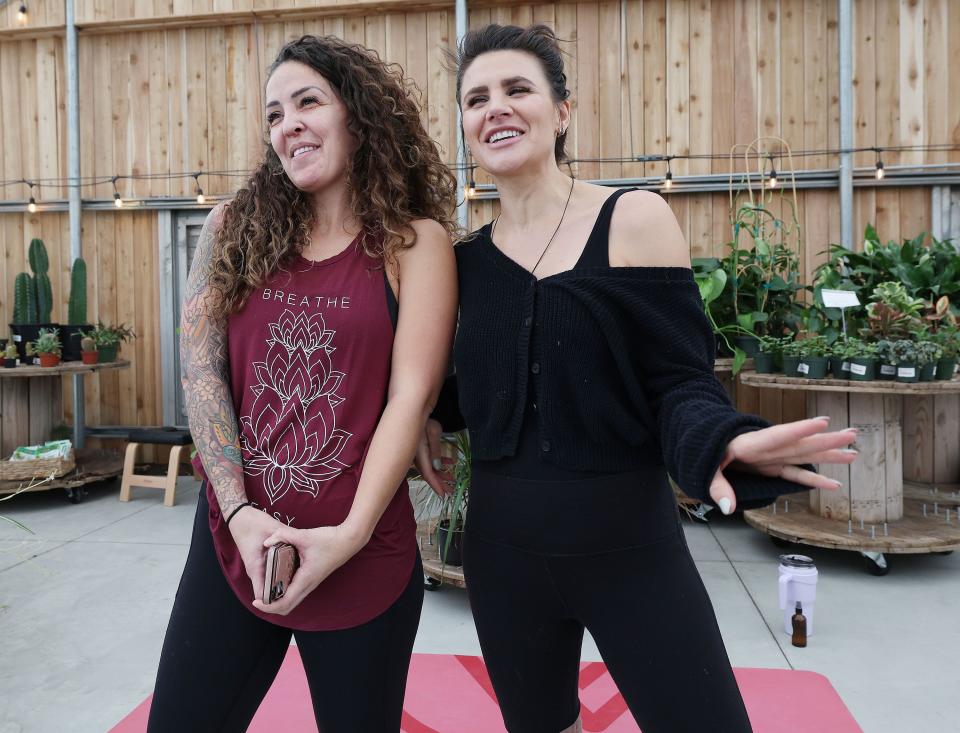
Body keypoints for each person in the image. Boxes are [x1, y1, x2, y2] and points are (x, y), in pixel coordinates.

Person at [416, 24, 858, 733]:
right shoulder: (465, 262)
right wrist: (426, 415)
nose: (495, 106)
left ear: (562, 112)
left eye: (517, 89)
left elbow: (678, 377)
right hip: (501, 555)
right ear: (466, 128)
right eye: (476, 98)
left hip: (629, 545)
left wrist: (721, 439)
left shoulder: (632, 217)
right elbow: (474, 390)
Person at [148, 35, 458, 732]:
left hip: (364, 557)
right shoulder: (232, 226)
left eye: (307, 102)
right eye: (273, 114)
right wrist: (238, 513)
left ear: (357, 113)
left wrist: (346, 536)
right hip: (237, 543)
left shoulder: (415, 243)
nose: (287, 124)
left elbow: (412, 394)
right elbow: (201, 370)